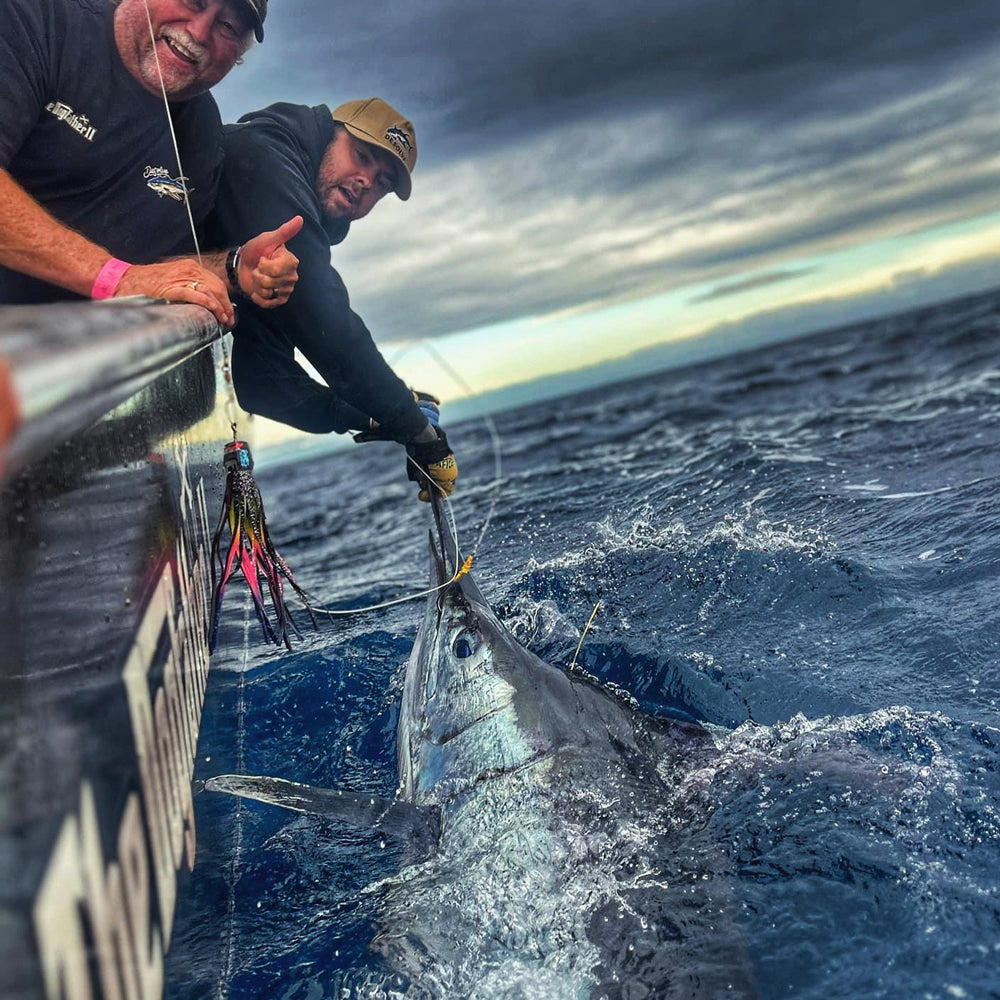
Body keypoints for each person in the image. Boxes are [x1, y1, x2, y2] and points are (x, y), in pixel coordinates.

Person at [208, 97, 458, 502]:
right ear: (328, 133)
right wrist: (417, 429)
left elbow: (263, 384)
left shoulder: (266, 249)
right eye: (360, 156)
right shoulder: (264, 158)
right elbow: (323, 319)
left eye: (382, 183)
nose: (365, 182)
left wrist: (369, 415)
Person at [0, 0, 299, 327]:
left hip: (74, 359)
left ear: (238, 57)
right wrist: (114, 278)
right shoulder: (35, 20)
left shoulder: (204, 132)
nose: (198, 33)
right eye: (193, 1)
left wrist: (234, 267)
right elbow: (128, 276)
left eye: (227, 27)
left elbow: (150, 268)